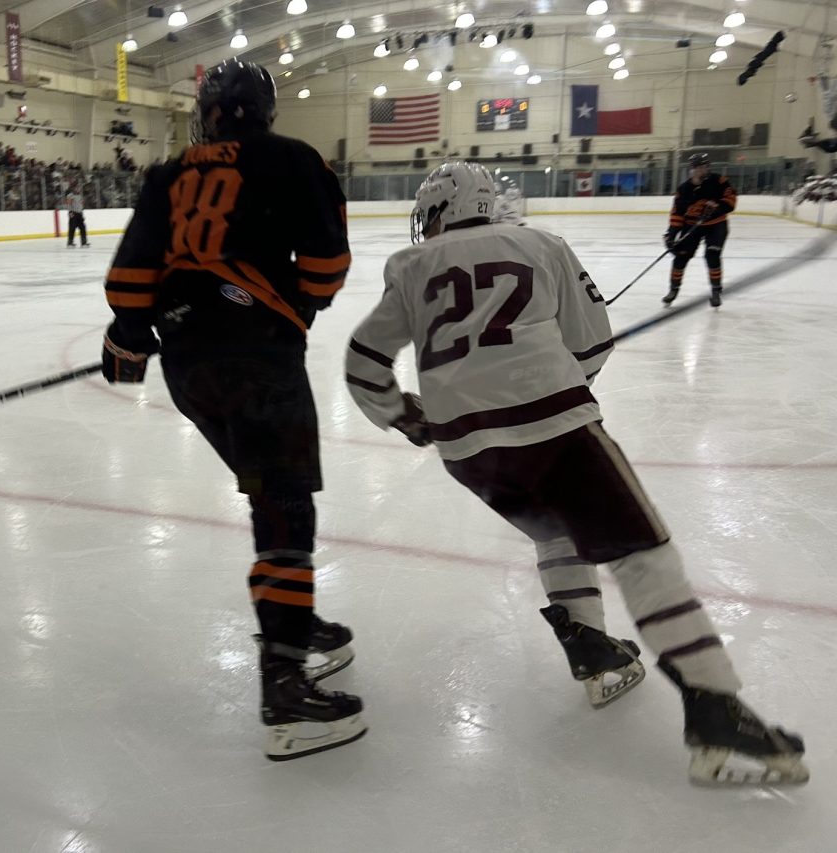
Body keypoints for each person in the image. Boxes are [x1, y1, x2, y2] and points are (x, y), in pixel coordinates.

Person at [345, 160, 808, 787]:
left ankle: (590, 646)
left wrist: (405, 416)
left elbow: (364, 363)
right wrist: (559, 379)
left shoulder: (408, 266)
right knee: (645, 556)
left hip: (467, 452)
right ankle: (714, 709)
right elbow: (592, 343)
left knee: (556, 534)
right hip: (556, 433)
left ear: (438, 213)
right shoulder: (542, 244)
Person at [100, 59, 363, 761]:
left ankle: (292, 618)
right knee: (282, 507)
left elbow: (130, 275)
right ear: (264, 108)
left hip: (191, 366)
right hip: (259, 357)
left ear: (209, 111)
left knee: (268, 494)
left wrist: (128, 335)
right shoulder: (291, 159)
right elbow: (328, 262)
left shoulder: (168, 173)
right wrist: (299, 304)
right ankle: (284, 681)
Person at [663, 153, 736, 308]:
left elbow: (731, 201)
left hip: (716, 225)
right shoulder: (684, 189)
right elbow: (677, 213)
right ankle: (673, 290)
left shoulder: (719, 181)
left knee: (712, 255)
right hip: (692, 226)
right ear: (693, 169)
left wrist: (716, 208)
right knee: (680, 257)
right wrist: (671, 234)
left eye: (706, 166)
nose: (704, 170)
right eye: (701, 167)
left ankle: (716, 290)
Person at [64, 184, 89, 248]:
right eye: (77, 188)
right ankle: (70, 243)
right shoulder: (70, 196)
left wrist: (82, 213)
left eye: (79, 188)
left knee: (83, 228)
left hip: (79, 214)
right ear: (73, 189)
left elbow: (81, 204)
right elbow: (69, 204)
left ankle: (84, 243)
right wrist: (70, 212)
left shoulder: (80, 196)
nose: (78, 189)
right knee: (72, 228)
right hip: (73, 213)